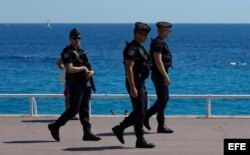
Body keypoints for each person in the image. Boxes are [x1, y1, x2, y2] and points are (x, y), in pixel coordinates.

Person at [48, 28, 101, 141]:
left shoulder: (81, 52)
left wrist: (92, 72)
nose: (77, 40)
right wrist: (83, 68)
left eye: (79, 38)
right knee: (73, 110)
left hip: (85, 83)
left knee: (85, 110)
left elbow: (88, 66)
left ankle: (87, 132)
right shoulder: (68, 52)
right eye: (74, 38)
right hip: (75, 84)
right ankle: (55, 126)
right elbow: (70, 69)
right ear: (70, 39)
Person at [112, 22, 155, 148]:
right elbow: (129, 68)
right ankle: (139, 139)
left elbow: (143, 67)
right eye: (144, 34)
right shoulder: (132, 48)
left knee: (141, 111)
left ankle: (120, 128)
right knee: (140, 112)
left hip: (140, 81)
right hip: (134, 81)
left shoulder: (140, 47)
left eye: (147, 35)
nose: (146, 37)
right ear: (137, 34)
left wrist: (143, 82)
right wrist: (132, 86)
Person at [144, 22, 174, 133]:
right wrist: (165, 76)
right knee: (163, 99)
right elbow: (158, 60)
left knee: (163, 99)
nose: (169, 33)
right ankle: (159, 123)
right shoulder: (158, 43)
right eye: (168, 31)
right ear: (163, 31)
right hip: (159, 75)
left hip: (160, 74)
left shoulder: (160, 42)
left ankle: (149, 118)